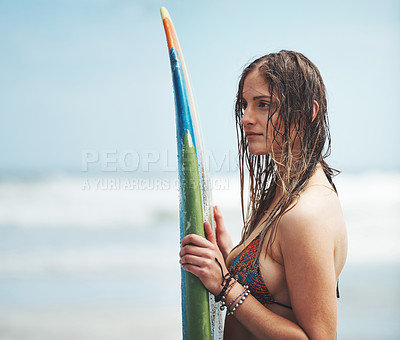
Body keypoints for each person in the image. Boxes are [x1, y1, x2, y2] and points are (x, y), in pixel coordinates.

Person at [179, 50, 347, 339]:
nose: (246, 118)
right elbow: (277, 281)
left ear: (309, 112)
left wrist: (225, 286)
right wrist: (236, 255)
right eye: (245, 105)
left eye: (264, 104)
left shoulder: (305, 214)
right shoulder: (286, 191)